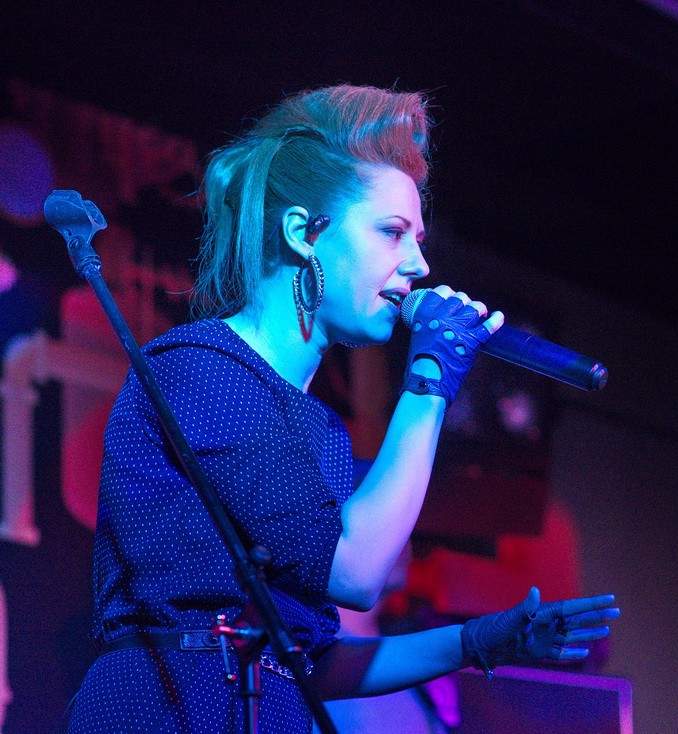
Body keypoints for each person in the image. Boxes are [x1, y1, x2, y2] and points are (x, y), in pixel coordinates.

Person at [65, 85, 618, 733]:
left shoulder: (321, 429)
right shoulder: (203, 369)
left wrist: (477, 642)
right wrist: (431, 380)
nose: (419, 264)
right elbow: (355, 573)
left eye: (417, 238)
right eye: (392, 233)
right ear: (304, 233)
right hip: (164, 713)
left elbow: (311, 663)